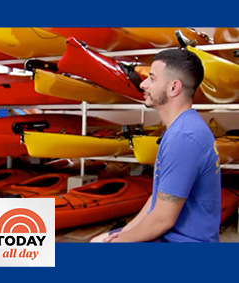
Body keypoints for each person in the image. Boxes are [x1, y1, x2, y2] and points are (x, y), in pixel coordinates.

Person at [91, 48, 221, 243]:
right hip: (172, 238)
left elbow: (162, 220)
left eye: (152, 78)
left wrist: (116, 243)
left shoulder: (183, 137)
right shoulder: (183, 127)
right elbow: (158, 199)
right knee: (100, 241)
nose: (143, 84)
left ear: (173, 88)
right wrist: (125, 231)